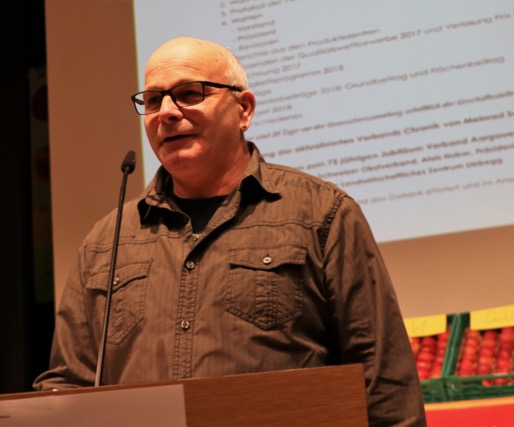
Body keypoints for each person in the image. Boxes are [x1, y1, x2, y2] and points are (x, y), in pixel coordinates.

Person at [34, 37, 426, 426]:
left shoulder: (322, 213)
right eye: (152, 101)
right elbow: (68, 388)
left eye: (189, 94)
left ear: (244, 109)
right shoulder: (107, 242)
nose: (166, 112)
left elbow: (384, 386)